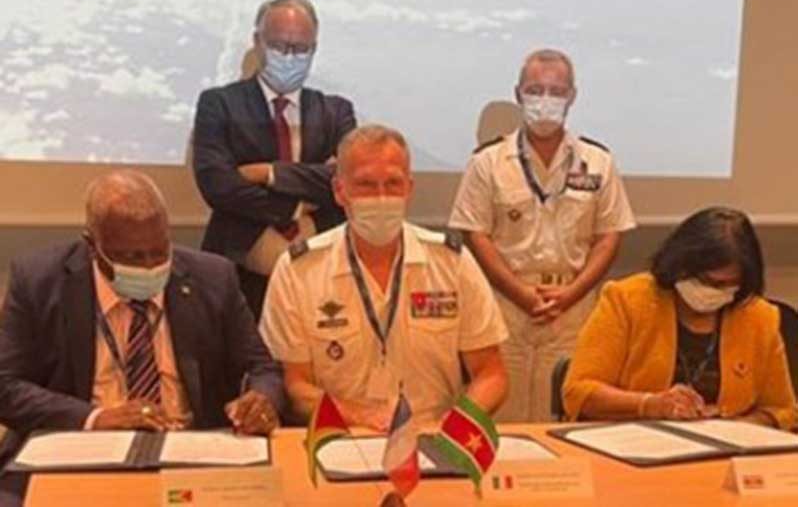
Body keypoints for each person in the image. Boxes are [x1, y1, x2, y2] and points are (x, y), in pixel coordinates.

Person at [0, 171, 284, 505]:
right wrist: (95, 417)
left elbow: (262, 367)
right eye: (132, 257)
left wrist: (262, 398)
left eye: (160, 251)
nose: (150, 266)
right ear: (92, 244)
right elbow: (6, 385)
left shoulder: (214, 276)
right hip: (79, 447)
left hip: (192, 450)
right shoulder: (39, 281)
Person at [262, 125, 508, 430]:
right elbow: (296, 387)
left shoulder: (452, 262)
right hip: (341, 440)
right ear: (340, 191)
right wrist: (362, 418)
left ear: (409, 188)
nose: (381, 197)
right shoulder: (299, 270)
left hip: (433, 439)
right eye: (365, 185)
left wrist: (455, 427)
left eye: (392, 184)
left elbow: (491, 374)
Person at [449, 48, 636, 422]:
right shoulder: (487, 162)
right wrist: (520, 293)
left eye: (556, 91)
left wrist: (571, 294)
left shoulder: (598, 161)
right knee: (502, 416)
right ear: (519, 94)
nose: (545, 101)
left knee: (565, 415)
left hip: (574, 305)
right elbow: (476, 234)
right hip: (505, 304)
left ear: (573, 96)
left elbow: (609, 235)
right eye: (535, 90)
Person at [193, 0, 356, 319]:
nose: (290, 57)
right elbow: (218, 185)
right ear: (257, 42)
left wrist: (269, 174)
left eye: (301, 49)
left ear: (314, 48)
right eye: (280, 46)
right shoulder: (219, 104)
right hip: (240, 270)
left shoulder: (336, 111)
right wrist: (297, 205)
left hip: (323, 270)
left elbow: (347, 182)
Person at [563, 207, 796, 429]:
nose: (714, 291)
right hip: (634, 447)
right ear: (680, 266)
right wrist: (648, 405)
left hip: (724, 456)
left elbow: (783, 410)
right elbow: (578, 393)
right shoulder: (627, 300)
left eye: (728, 284)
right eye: (707, 280)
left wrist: (736, 427)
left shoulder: (759, 317)